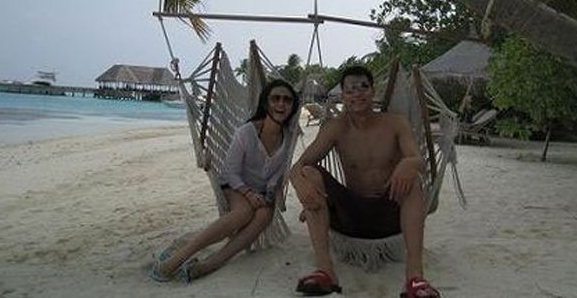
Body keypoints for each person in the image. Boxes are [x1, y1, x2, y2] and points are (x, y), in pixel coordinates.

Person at [289, 66, 441, 298]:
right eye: (350, 90)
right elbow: (299, 166)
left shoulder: (395, 123)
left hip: (390, 211)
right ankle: (325, 272)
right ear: (342, 96)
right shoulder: (335, 127)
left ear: (373, 91)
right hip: (350, 215)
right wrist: (300, 184)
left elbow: (418, 160)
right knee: (308, 174)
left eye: (363, 87)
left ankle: (415, 278)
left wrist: (408, 164)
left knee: (413, 180)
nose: (357, 94)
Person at [148, 79, 300, 283]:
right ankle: (176, 260)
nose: (281, 104)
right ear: (265, 103)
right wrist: (248, 194)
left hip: (261, 191)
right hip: (235, 185)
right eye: (276, 98)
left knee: (265, 214)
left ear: (292, 107)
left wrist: (270, 194)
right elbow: (230, 172)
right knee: (243, 212)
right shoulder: (246, 132)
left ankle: (210, 264)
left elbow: (277, 174)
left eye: (287, 100)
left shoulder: (288, 138)